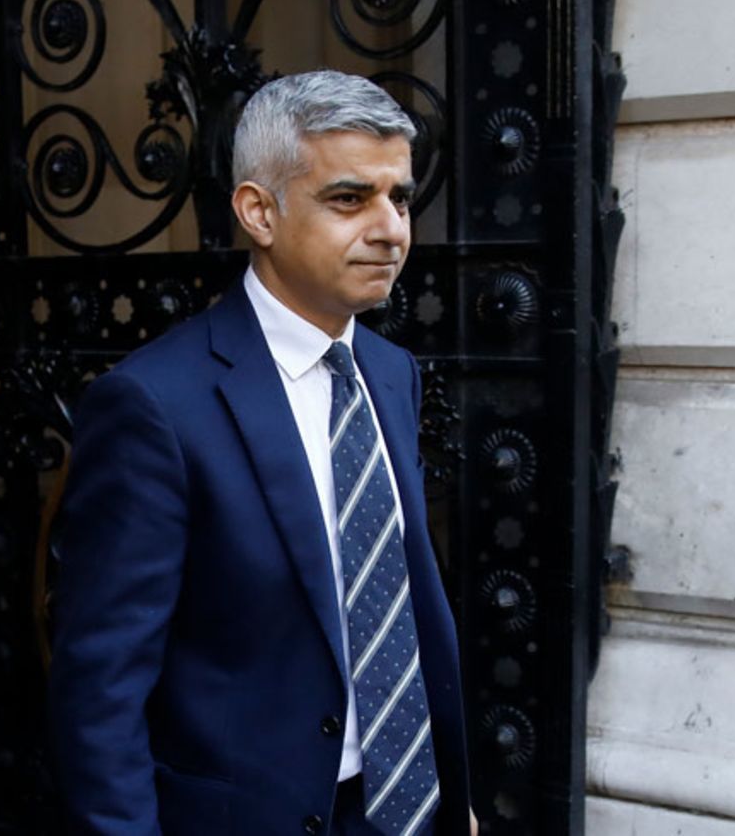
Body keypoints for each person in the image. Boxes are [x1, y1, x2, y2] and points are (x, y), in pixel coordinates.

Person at [49, 70, 473, 835]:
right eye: (350, 198)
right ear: (259, 211)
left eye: (400, 197)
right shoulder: (153, 406)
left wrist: (446, 791)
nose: (391, 229)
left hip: (397, 807)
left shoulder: (392, 373)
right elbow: (100, 692)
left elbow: (397, 599)